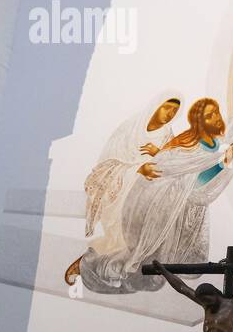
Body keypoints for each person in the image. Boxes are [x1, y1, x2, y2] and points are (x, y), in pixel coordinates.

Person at [75, 93, 233, 293]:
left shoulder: (222, 140)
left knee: (176, 259)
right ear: (199, 121)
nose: (215, 118)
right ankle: (111, 269)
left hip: (190, 208)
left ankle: (142, 274)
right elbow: (188, 178)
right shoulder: (187, 145)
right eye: (209, 115)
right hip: (166, 203)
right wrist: (221, 164)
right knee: (147, 255)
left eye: (216, 113)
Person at [65, 92, 181, 285]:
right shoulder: (130, 130)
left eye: (174, 111)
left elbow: (173, 164)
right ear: (156, 105)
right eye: (167, 107)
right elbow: (108, 164)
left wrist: (159, 154)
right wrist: (138, 169)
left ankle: (114, 271)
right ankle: (91, 265)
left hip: (147, 196)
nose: (169, 113)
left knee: (137, 242)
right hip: (120, 190)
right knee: (118, 241)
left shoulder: (168, 135)